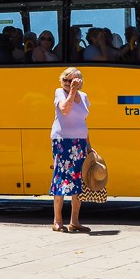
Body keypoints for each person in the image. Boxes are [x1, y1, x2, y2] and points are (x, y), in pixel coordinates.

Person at [50, 67, 92, 233]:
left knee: (78, 180)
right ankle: (57, 220)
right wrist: (72, 90)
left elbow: (83, 121)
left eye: (71, 81)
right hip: (63, 141)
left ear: (80, 82)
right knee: (61, 178)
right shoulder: (60, 92)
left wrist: (89, 144)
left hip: (80, 141)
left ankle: (74, 221)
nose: (67, 83)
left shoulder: (83, 97)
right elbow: (64, 110)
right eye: (65, 80)